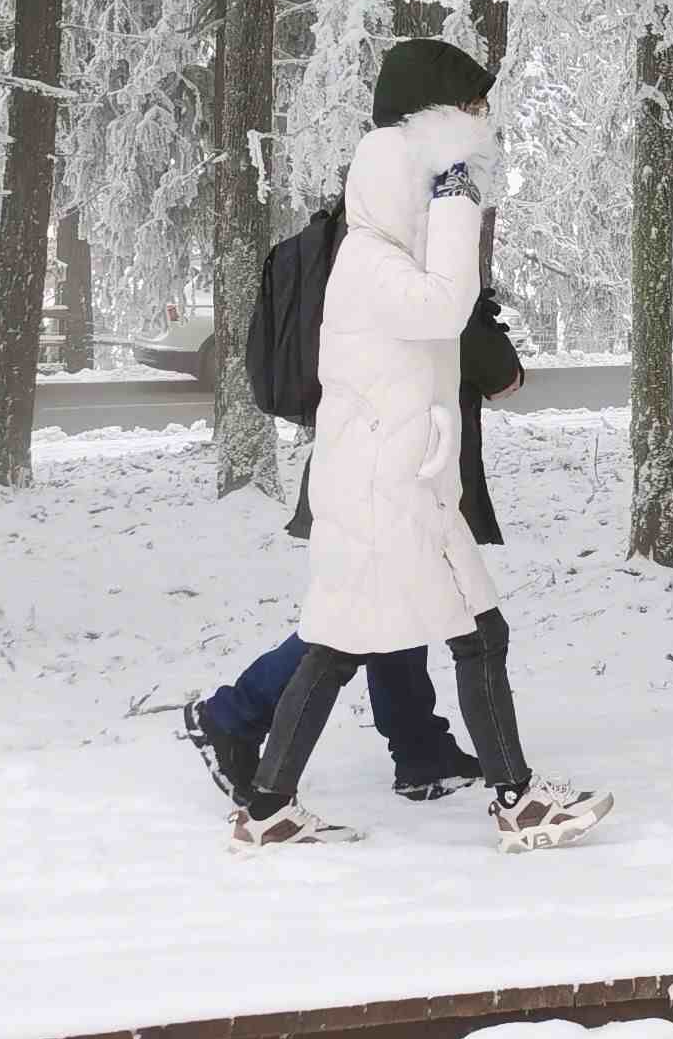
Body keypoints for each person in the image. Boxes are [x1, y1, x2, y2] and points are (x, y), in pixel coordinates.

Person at [231, 39, 610, 855]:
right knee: (363, 644)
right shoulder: (368, 264)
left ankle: (271, 806)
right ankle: (509, 800)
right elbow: (445, 308)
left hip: (406, 481)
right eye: (443, 165)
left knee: (407, 640)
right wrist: (456, 199)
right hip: (380, 489)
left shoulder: (381, 256)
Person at [181, 283, 526, 807]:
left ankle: (419, 751)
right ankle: (232, 716)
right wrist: (477, 310)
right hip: (398, 482)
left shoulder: (341, 256)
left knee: (393, 610)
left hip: (354, 472)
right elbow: (501, 374)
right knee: (349, 626)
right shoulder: (409, 270)